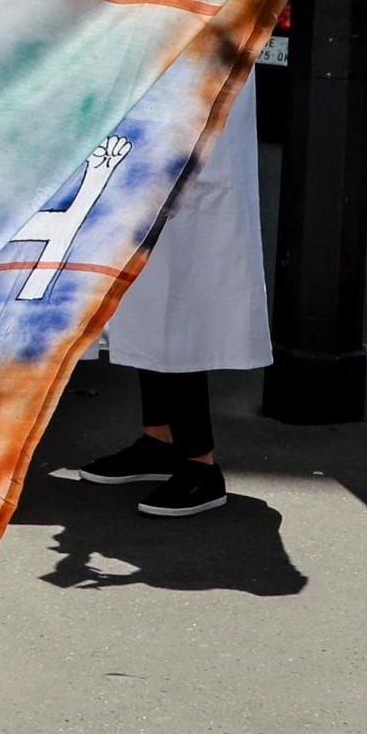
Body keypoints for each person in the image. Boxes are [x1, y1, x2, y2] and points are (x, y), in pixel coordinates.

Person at [49, 79, 271, 519]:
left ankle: (199, 463)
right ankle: (161, 438)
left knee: (177, 283)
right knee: (142, 287)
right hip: (157, 88)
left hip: (197, 94)